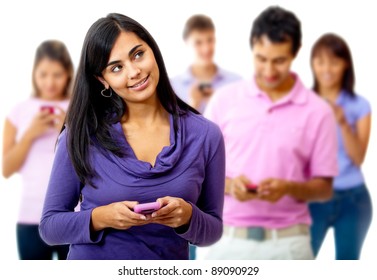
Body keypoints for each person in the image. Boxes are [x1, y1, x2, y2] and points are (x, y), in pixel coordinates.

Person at [38, 13, 225, 260]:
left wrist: (188, 216)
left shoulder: (205, 135)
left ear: (153, 51)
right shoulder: (81, 136)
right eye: (116, 67)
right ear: (102, 80)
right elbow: (50, 228)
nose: (134, 71)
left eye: (138, 54)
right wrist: (100, 218)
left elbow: (212, 232)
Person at [197, 6, 338, 260]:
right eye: (261, 58)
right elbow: (200, 172)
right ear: (252, 47)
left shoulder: (319, 111)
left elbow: (324, 189)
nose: (269, 70)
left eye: (279, 61)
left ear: (295, 53)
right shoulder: (224, 100)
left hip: (288, 245)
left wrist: (289, 188)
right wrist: (228, 185)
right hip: (225, 242)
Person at [2, 40, 73, 260]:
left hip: (72, 216)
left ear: (68, 74)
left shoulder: (78, 108)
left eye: (57, 74)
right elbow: (5, 169)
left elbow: (94, 163)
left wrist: (69, 128)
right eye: (43, 74)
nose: (50, 82)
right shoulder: (19, 111)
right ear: (34, 73)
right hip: (30, 218)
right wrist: (30, 134)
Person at [309, 33, 372, 260]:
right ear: (312, 64)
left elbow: (358, 158)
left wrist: (343, 121)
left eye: (334, 62)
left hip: (353, 199)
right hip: (314, 197)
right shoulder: (303, 101)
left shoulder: (360, 105)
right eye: (320, 61)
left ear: (345, 64)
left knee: (347, 264)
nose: (327, 68)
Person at [170, 14, 241, 113]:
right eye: (198, 43)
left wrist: (216, 105)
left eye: (210, 40)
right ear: (187, 43)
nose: (206, 49)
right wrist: (193, 105)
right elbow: (172, 127)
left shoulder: (236, 83)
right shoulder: (172, 87)